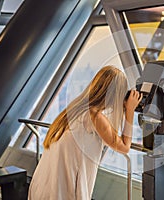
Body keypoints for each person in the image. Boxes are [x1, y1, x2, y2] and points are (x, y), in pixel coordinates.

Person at [28, 66, 142, 200]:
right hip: (62, 192)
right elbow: (124, 147)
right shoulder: (95, 116)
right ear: (115, 95)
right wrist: (130, 111)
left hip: (44, 185)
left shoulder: (75, 109)